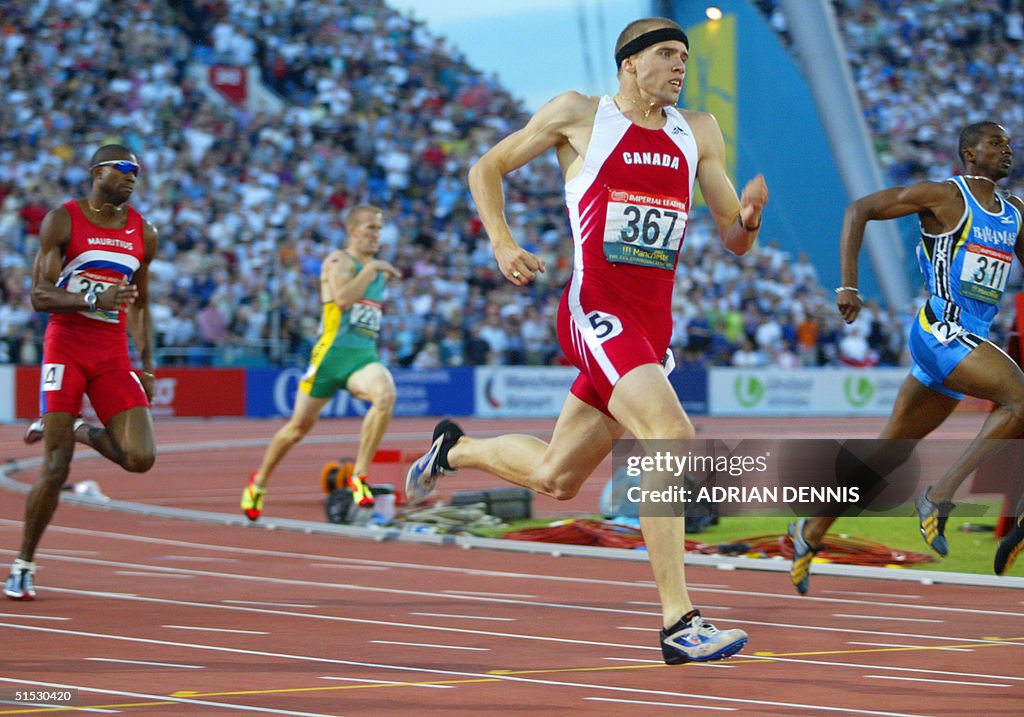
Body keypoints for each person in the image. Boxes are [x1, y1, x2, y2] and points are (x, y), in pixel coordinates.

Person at [405, 17, 767, 664]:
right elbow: (486, 167)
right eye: (667, 54)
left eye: (685, 56)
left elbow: (731, 236)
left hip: (652, 329)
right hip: (596, 310)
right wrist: (503, 241)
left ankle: (452, 451)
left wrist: (749, 220)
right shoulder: (580, 114)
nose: (681, 66)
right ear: (629, 63)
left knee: (556, 476)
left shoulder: (699, 131)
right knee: (671, 434)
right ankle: (678, 619)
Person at [788, 121, 1024, 594]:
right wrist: (849, 285)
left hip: (970, 342)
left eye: (1009, 144)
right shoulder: (943, 197)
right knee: (1021, 400)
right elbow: (859, 210)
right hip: (939, 331)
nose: (1007, 150)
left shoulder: (1015, 212)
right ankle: (939, 497)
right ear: (969, 154)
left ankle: (810, 530)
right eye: (995, 143)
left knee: (890, 451)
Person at [6, 145, 158, 600]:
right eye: (123, 169)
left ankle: (75, 426)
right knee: (55, 468)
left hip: (111, 353)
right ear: (98, 173)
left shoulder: (143, 233)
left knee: (140, 457)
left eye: (137, 171)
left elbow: (141, 303)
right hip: (66, 348)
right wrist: (93, 300)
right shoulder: (63, 220)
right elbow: (39, 295)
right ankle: (23, 564)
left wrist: (147, 364)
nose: (132, 177)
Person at [241, 205, 401, 520]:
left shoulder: (379, 272)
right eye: (370, 228)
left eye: (380, 229)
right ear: (353, 230)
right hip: (328, 358)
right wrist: (370, 270)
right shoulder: (339, 261)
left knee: (385, 395)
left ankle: (360, 475)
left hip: (362, 357)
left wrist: (375, 271)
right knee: (297, 428)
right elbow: (342, 300)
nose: (376, 235)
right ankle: (258, 482)